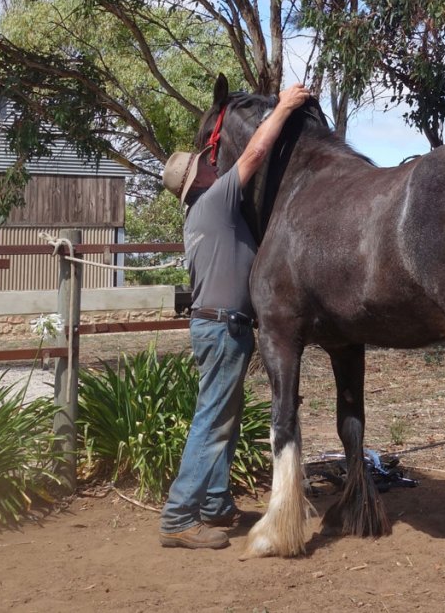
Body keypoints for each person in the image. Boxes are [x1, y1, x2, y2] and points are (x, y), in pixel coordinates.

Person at [158, 82, 311, 549]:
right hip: (223, 326)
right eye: (208, 165)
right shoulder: (216, 200)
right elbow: (256, 153)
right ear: (199, 180)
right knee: (213, 418)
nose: (215, 165)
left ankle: (215, 505)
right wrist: (284, 106)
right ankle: (178, 518)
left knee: (224, 414)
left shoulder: (201, 216)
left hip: (217, 324)